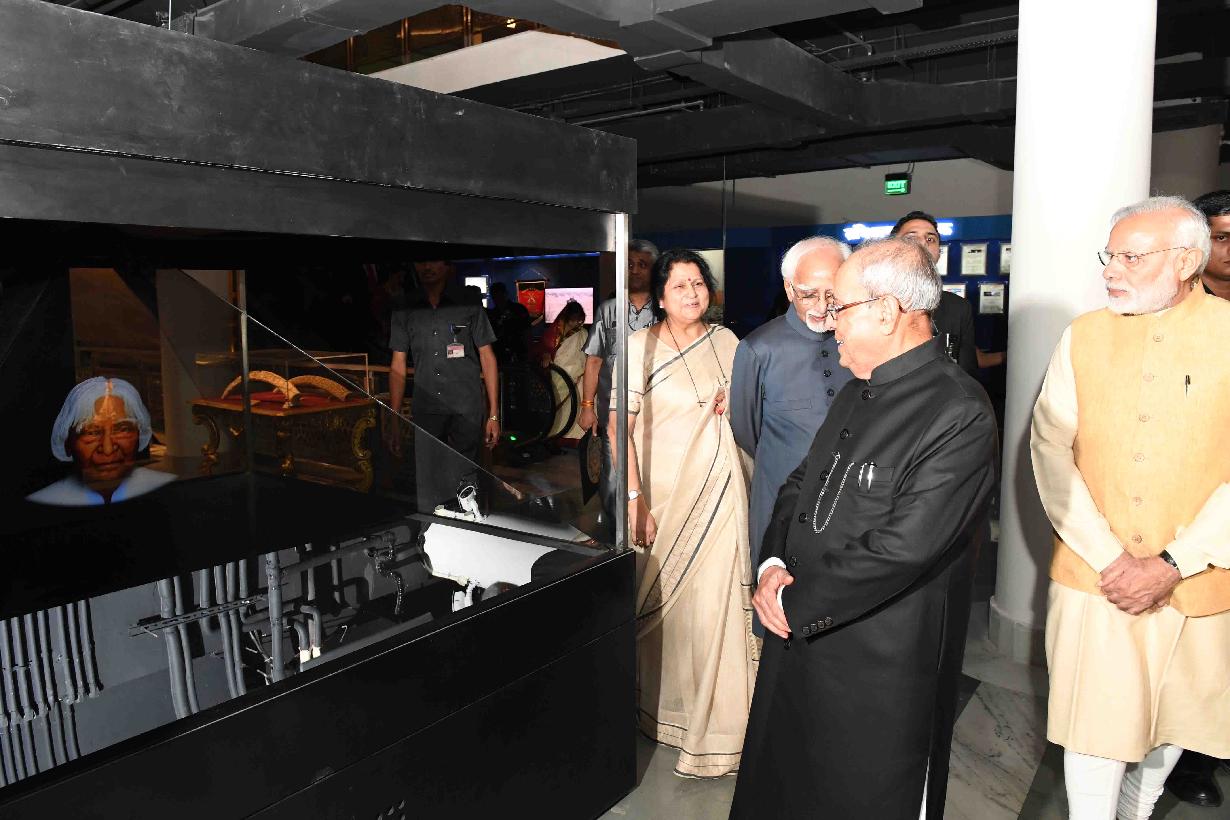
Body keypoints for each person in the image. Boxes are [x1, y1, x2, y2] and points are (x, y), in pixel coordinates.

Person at [731, 237, 998, 819]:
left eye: (841, 307)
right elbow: (798, 484)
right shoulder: (857, 388)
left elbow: (903, 548)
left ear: (886, 310)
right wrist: (772, 564)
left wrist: (793, 601)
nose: (829, 323)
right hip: (800, 629)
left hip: (880, 662)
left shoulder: (958, 411)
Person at [1031, 196, 1230, 820]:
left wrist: (1174, 562)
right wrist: (1109, 557)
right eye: (1109, 255)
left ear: (1186, 262)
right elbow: (1049, 445)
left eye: (1131, 257)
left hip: (1199, 579)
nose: (1110, 270)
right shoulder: (1083, 335)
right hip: (1097, 577)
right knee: (1093, 727)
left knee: (1175, 719)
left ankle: (1138, 810)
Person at [614, 248, 756, 779]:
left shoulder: (728, 342)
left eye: (699, 283)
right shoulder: (639, 347)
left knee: (717, 603)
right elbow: (619, 430)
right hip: (663, 498)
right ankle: (665, 712)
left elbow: (753, 409)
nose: (692, 293)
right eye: (679, 286)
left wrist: (736, 403)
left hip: (721, 493)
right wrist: (635, 500)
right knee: (665, 609)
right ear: (659, 296)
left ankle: (721, 726)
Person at [729, 236, 853, 581]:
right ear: (788, 289)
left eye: (832, 294)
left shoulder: (858, 340)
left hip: (849, 503)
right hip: (781, 502)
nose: (821, 306)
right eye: (808, 294)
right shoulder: (758, 349)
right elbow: (746, 431)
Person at [1163, 188, 1230, 809]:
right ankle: (1192, 764)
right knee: (1195, 652)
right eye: (1223, 238)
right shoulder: (1165, 317)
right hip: (1185, 518)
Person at [385, 260, 500, 514]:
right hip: (427, 406)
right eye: (421, 261)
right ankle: (431, 529)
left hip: (466, 405)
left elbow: (487, 357)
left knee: (466, 476)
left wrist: (493, 414)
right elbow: (398, 365)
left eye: (434, 260)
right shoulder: (404, 307)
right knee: (428, 478)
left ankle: (468, 524)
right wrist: (394, 418)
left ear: (448, 265)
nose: (427, 267)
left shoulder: (468, 302)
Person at [580, 239, 659, 528]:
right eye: (629, 264)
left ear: (654, 270)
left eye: (642, 264)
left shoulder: (664, 311)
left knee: (651, 472)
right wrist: (587, 406)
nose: (635, 270)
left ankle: (646, 529)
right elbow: (594, 361)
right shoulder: (608, 310)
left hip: (655, 413)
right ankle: (616, 534)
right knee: (612, 475)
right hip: (612, 410)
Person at [28, 376, 174, 506]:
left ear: (139, 435)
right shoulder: (46, 502)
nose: (108, 449)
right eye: (92, 432)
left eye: (122, 429)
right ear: (68, 443)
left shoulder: (166, 492)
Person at [891, 210, 980, 376]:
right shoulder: (871, 300)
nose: (923, 244)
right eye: (911, 238)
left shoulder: (958, 308)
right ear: (892, 247)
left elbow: (967, 373)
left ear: (939, 252)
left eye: (930, 239)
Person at [486, 281, 531, 365]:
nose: (498, 299)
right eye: (495, 296)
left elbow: (527, 331)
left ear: (505, 294)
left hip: (518, 351)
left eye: (499, 295)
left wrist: (528, 352)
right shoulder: (492, 314)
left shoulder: (519, 310)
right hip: (500, 354)